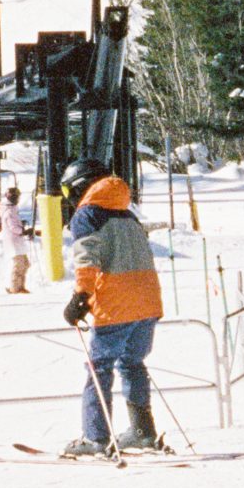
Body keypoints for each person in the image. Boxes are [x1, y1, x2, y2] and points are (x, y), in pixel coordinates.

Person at [58, 159, 164, 459]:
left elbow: (86, 258)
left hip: (117, 303)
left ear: (80, 185)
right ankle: (142, 430)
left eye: (69, 191)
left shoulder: (87, 214)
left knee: (99, 367)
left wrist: (81, 297)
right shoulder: (128, 212)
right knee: (132, 364)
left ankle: (95, 437)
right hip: (148, 301)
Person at [0, 184, 35, 294]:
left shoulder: (11, 208)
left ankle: (20, 286)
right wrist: (24, 231)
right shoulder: (9, 211)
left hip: (17, 240)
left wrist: (21, 224)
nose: (17, 199)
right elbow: (13, 227)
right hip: (14, 241)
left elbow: (14, 223)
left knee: (25, 263)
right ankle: (15, 288)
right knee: (19, 264)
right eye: (16, 197)